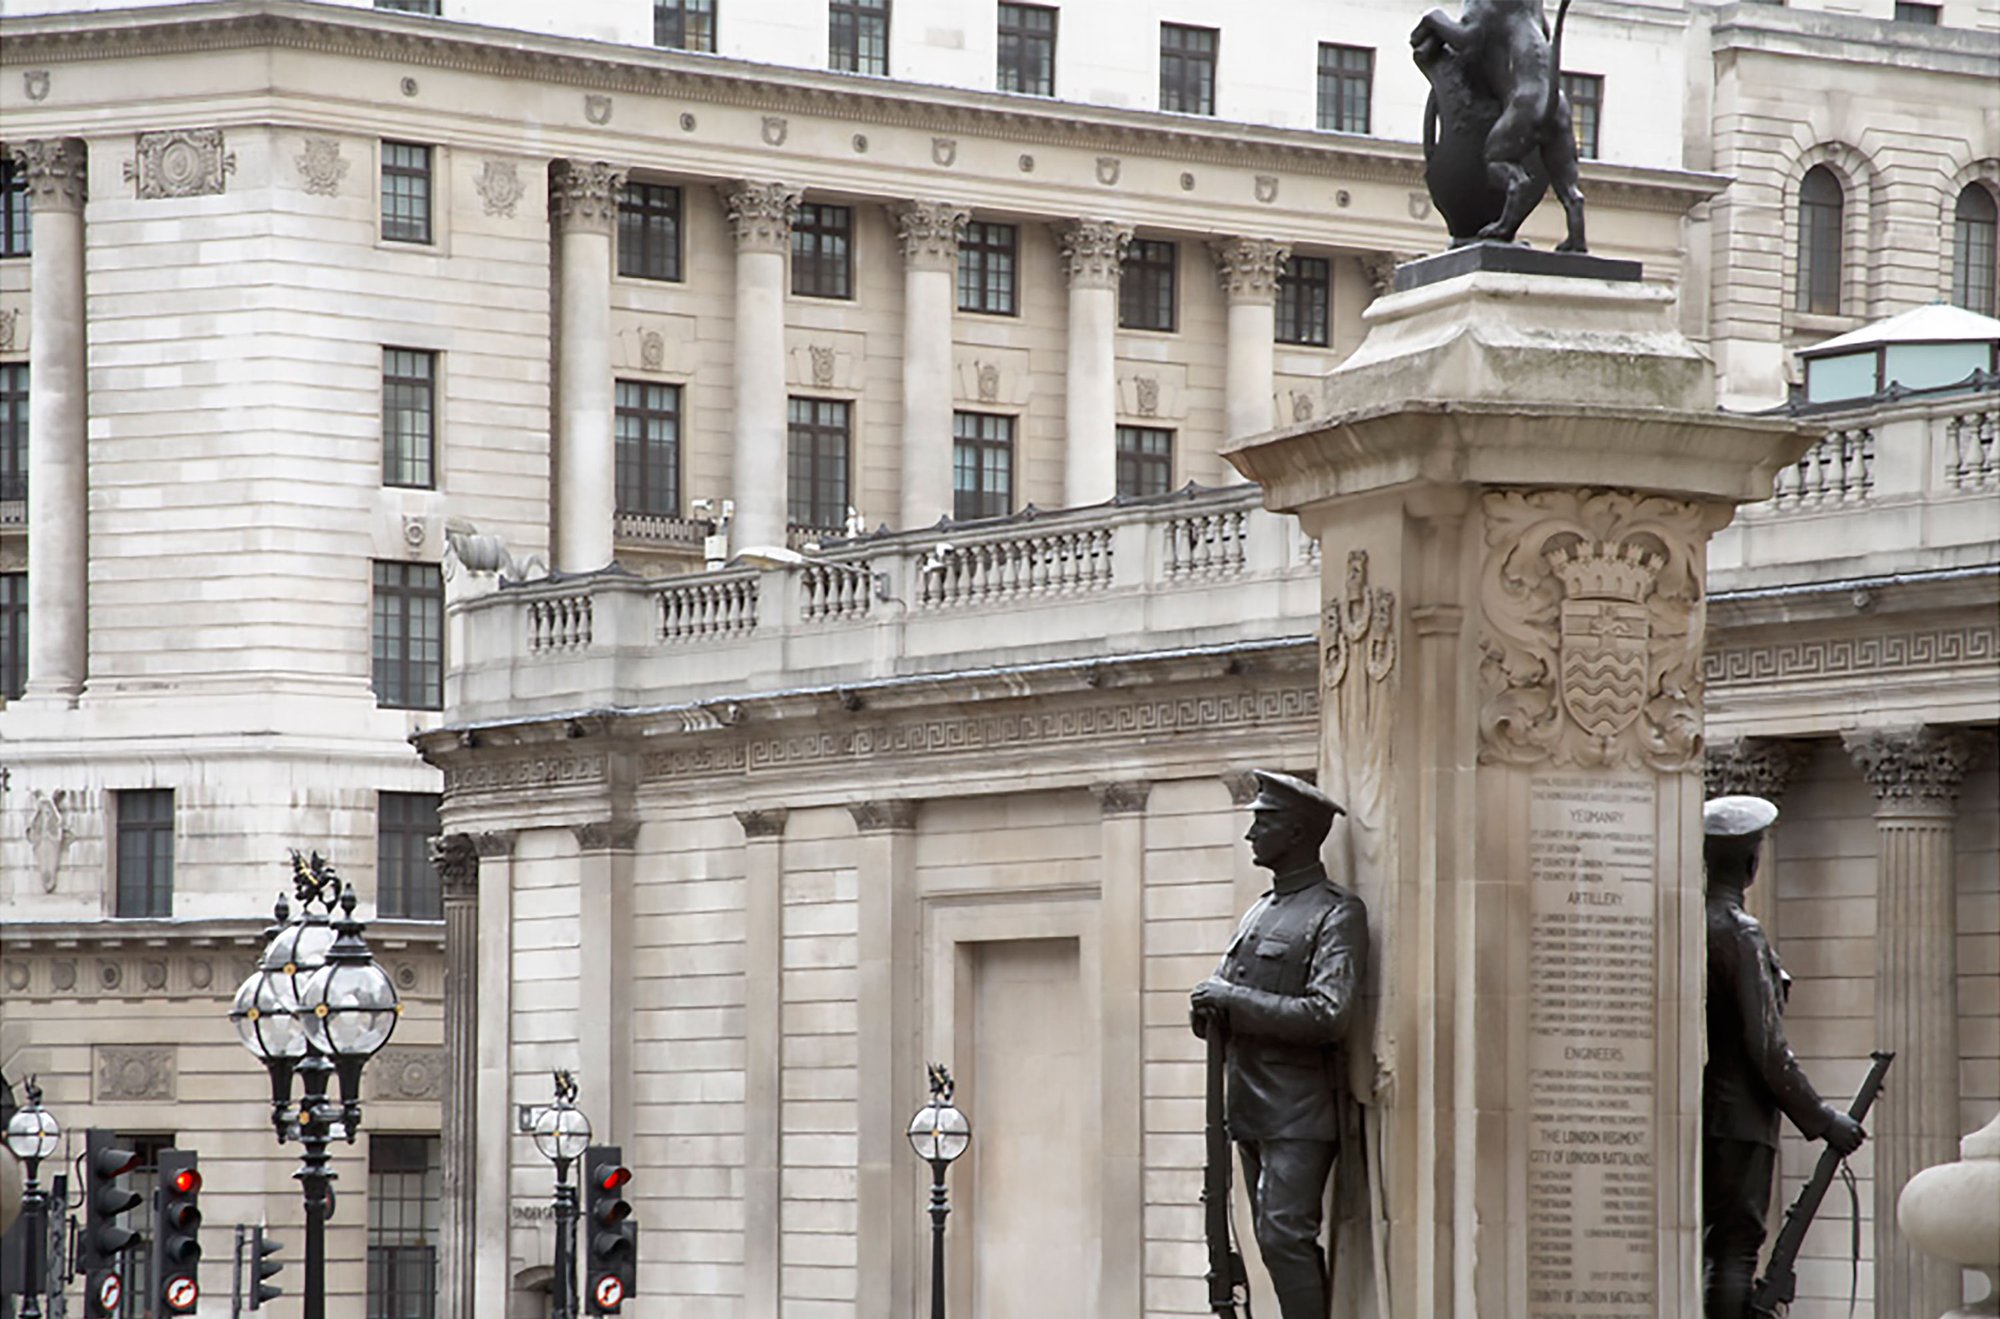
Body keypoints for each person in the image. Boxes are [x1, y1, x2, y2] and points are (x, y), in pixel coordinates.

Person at [1190, 770, 1367, 1319]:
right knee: (1267, 1239)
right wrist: (1209, 1007)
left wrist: (1232, 1001)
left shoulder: (1334, 912)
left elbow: (1328, 1013)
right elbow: (1220, 999)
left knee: (1283, 1234)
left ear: (1294, 832)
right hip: (1248, 1106)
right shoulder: (1260, 910)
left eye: (1262, 823)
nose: (1250, 835)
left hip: (1299, 1109)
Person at [1703, 794, 1865, 1319]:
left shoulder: (1692, 926)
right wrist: (1823, 1120)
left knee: (1720, 1244)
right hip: (1741, 1116)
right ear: (1752, 863)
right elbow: (1767, 1045)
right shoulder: (1739, 931)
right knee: (1736, 1245)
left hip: (1709, 1112)